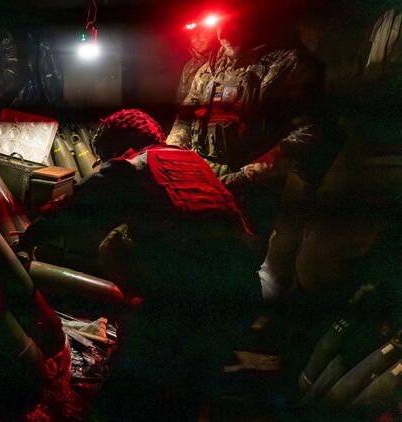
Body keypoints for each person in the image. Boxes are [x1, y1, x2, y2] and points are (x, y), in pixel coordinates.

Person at [23, 109, 258, 420]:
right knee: (193, 383)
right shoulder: (191, 161)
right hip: (244, 291)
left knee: (123, 392)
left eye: (106, 154)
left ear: (120, 146)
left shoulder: (131, 167)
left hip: (191, 299)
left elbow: (73, 211)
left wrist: (25, 238)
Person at [166, 3, 331, 304]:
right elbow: (185, 119)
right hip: (202, 181)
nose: (223, 32)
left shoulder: (290, 66)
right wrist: (173, 159)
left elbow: (308, 132)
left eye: (233, 24)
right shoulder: (212, 65)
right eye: (219, 24)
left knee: (236, 268)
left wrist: (248, 174)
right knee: (191, 261)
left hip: (250, 191)